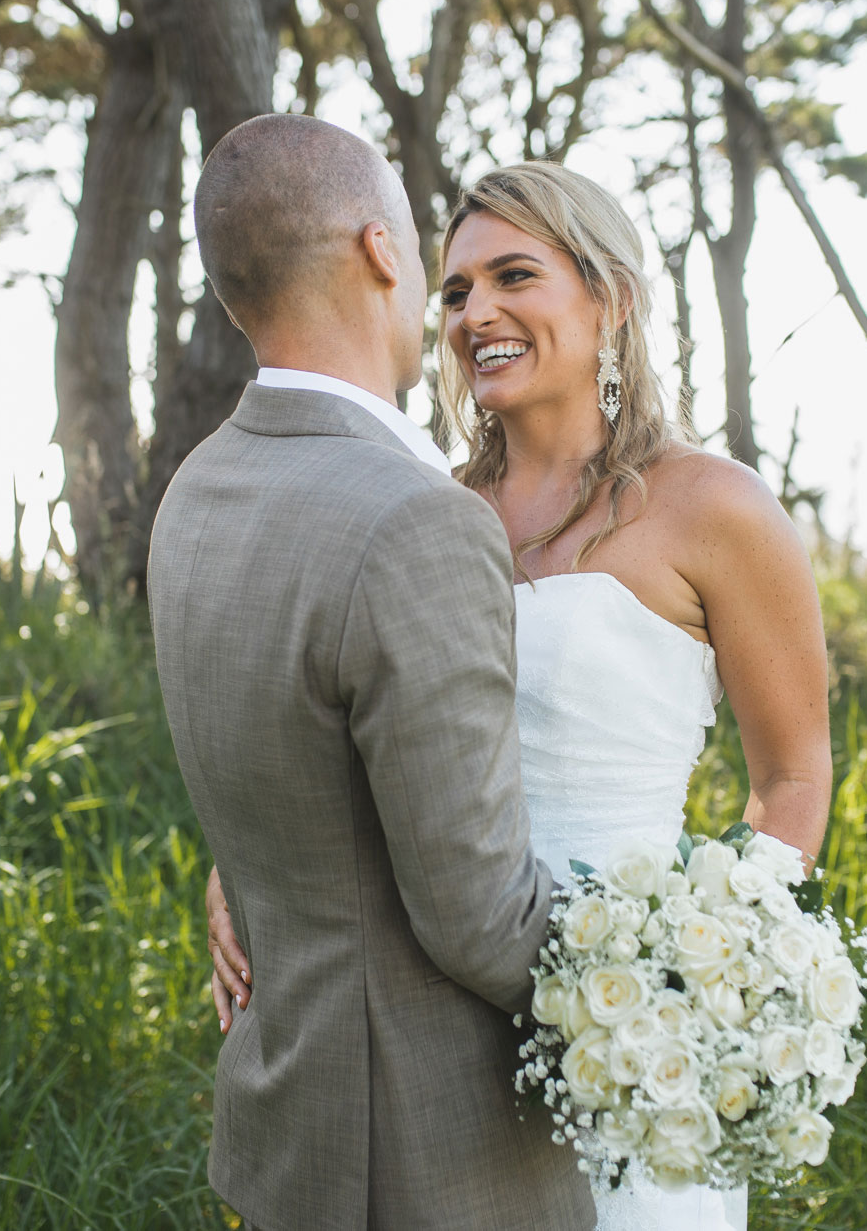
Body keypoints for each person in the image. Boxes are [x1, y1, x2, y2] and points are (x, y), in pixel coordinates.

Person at [206, 161, 833, 1231]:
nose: (473, 313)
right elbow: (339, 728)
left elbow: (790, 773)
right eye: (452, 291)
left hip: (632, 1017)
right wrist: (247, 867)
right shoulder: (417, 513)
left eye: (512, 276)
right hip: (427, 1008)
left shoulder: (715, 509)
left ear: (611, 297)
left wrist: (709, 976)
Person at [150, 118, 595, 1230]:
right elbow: (478, 915)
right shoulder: (412, 523)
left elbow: (278, 758)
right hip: (427, 1157)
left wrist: (238, 878)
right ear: (381, 252)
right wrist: (668, 988)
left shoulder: (196, 490)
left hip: (286, 1125)